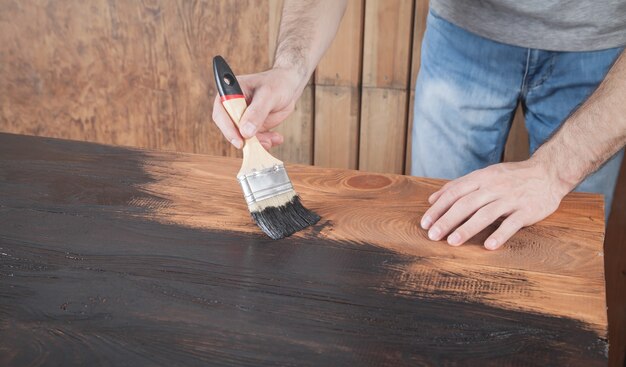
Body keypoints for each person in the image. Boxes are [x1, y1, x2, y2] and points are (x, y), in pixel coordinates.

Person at [212, 0, 626, 250]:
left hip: (603, 53)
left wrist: (554, 172)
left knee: (567, 246)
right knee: (437, 224)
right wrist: (290, 67)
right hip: (463, 31)